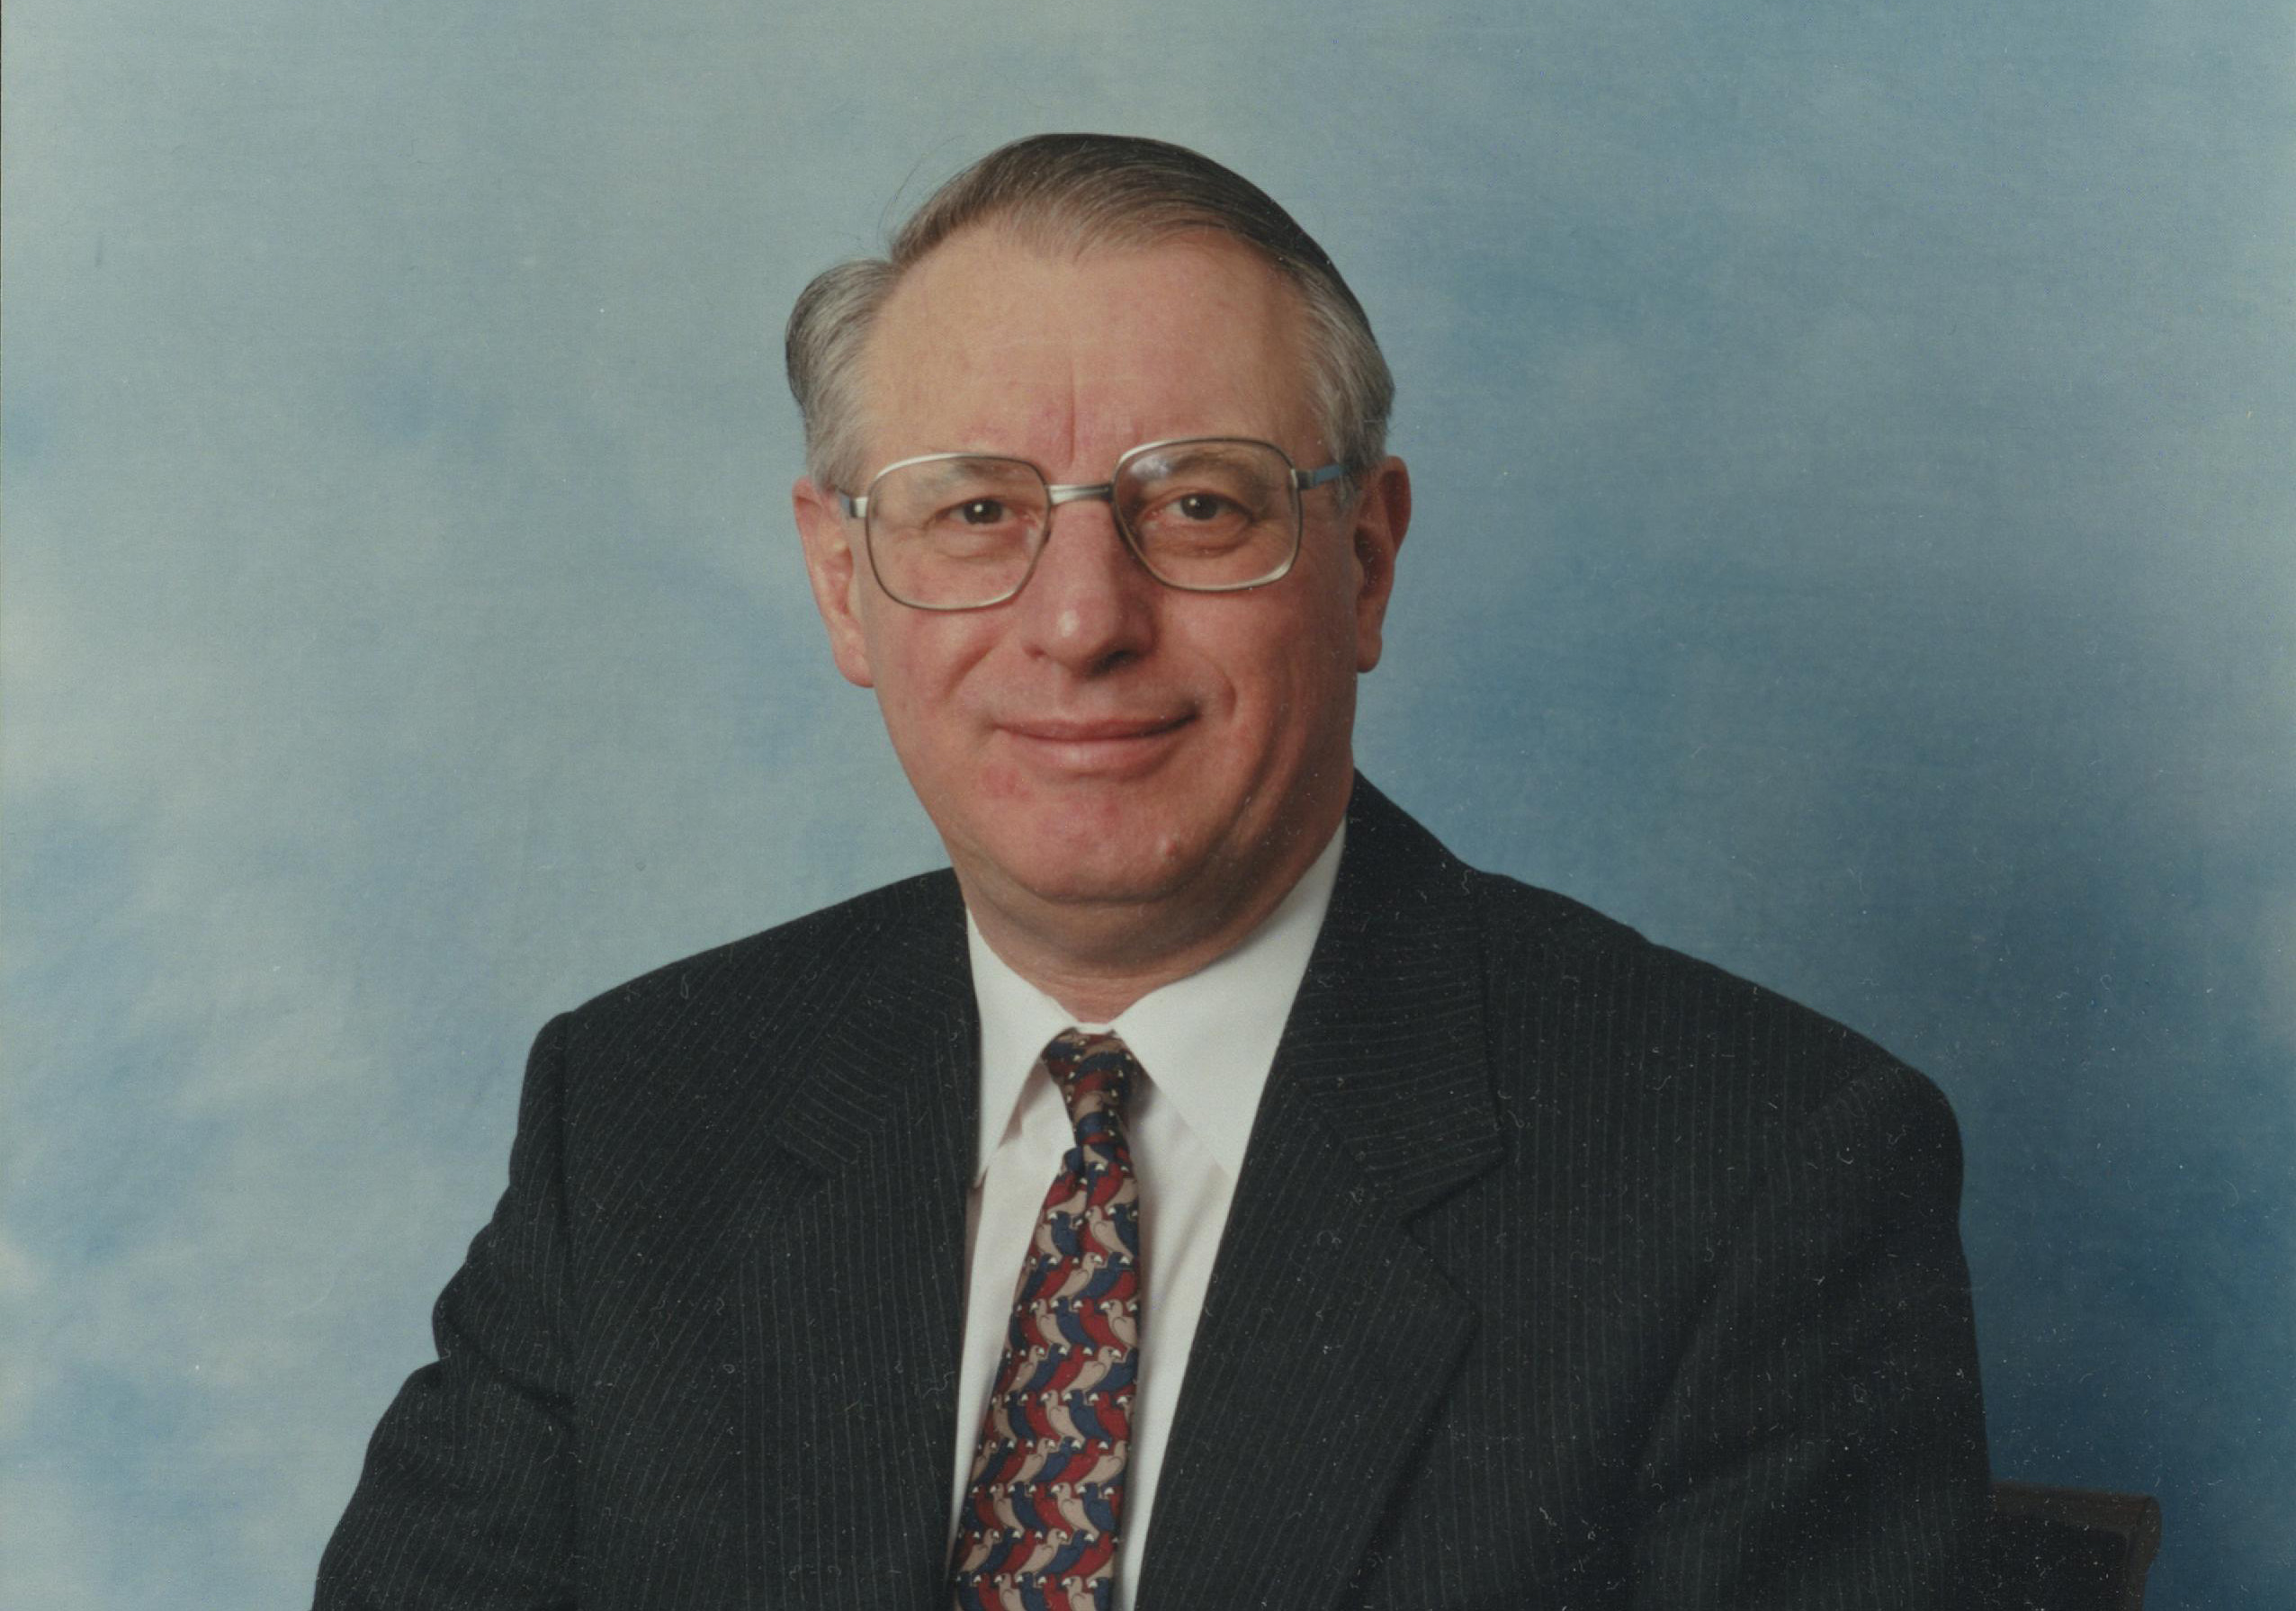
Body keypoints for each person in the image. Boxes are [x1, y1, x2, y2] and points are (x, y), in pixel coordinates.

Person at [316, 133, 1990, 1610]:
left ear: (1368, 558)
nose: (1080, 619)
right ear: (844, 586)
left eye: (1196, 505)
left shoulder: (1753, 1168)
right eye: (973, 512)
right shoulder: (640, 1113)